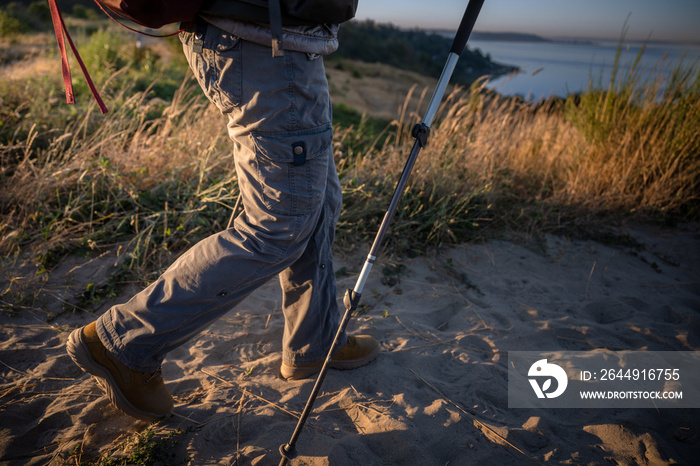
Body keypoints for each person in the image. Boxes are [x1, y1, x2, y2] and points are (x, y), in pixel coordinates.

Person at [66, 4, 379, 422]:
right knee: (277, 227)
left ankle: (315, 341)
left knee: (316, 200)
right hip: (262, 45)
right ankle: (123, 339)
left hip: (272, 43)